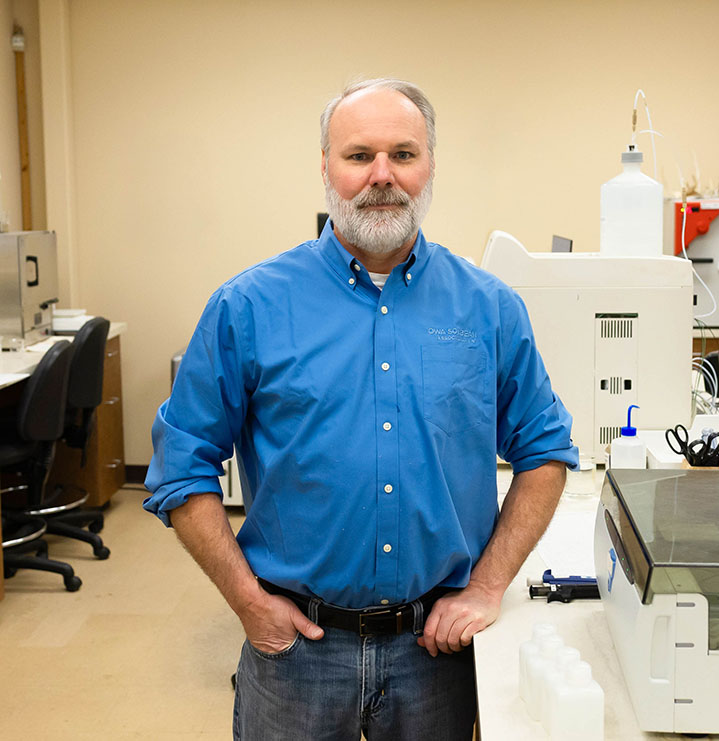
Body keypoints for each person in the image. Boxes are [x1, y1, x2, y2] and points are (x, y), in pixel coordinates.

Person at [144, 78, 577, 740]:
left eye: (403, 154)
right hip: (294, 653)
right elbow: (181, 467)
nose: (382, 176)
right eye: (358, 156)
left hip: (436, 653)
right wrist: (248, 603)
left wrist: (488, 587)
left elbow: (544, 451)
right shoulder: (249, 306)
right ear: (325, 168)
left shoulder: (488, 308)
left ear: (430, 165)